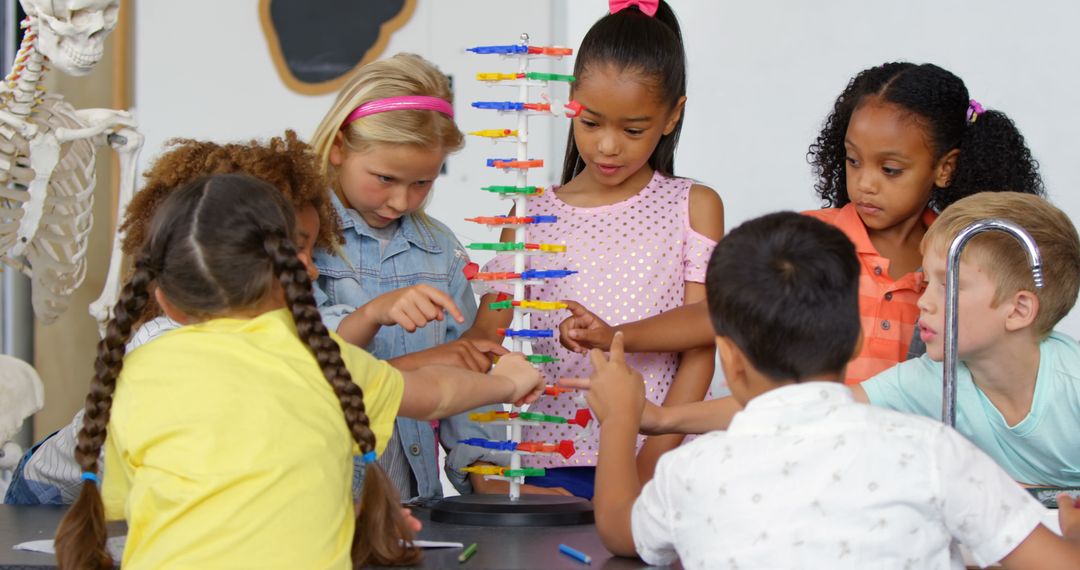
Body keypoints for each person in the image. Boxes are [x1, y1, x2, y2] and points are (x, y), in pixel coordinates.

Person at [52, 174, 544, 569]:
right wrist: (508, 381)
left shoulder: (138, 370)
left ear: (164, 302)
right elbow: (434, 393)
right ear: (294, 273)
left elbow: (146, 499)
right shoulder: (319, 359)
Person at [579, 211, 1080, 568]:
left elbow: (621, 532)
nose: (927, 302)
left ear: (727, 357)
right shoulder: (934, 452)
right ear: (857, 340)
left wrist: (620, 421)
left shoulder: (690, 472)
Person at [559, 62, 1044, 386]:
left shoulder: (957, 259)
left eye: (890, 169)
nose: (866, 184)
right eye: (853, 161)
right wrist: (617, 334)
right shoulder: (812, 240)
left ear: (944, 167)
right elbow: (719, 312)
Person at [460, 0, 724, 499]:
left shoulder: (693, 205)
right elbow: (485, 346)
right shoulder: (529, 216)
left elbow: (703, 333)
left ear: (673, 116)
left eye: (632, 130)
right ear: (570, 104)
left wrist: (652, 455)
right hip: (548, 464)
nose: (607, 146)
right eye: (591, 122)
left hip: (662, 459)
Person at [4, 132, 342, 506]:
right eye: (293, 249)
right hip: (52, 494)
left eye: (312, 251)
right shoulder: (164, 344)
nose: (311, 271)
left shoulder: (273, 336)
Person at [308, 53, 510, 503]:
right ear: (339, 146)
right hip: (325, 504)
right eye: (385, 178)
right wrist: (371, 314)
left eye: (422, 183)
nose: (401, 200)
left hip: (417, 507)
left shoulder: (441, 251)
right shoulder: (303, 237)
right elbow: (303, 359)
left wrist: (489, 478)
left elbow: (469, 373)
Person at [848, 192, 1080, 487]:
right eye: (927, 283)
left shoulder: (1072, 384)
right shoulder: (933, 378)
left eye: (947, 285)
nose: (923, 303)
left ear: (1019, 310)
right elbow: (822, 408)